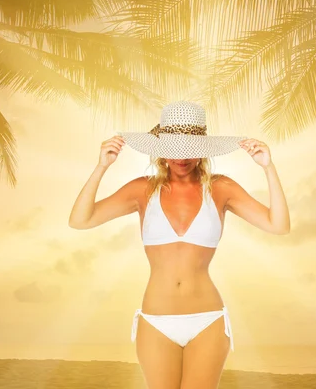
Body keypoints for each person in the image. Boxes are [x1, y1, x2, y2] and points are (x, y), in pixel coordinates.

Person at [68, 100, 290, 389]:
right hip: (156, 321)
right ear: (161, 150)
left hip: (207, 320)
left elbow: (279, 225)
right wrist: (101, 167)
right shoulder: (143, 190)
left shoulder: (221, 188)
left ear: (202, 149)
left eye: (189, 149)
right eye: (174, 149)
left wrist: (268, 167)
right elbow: (80, 220)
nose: (181, 158)